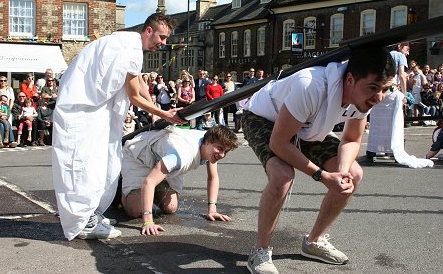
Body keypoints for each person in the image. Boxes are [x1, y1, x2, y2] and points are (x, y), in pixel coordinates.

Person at [242, 47, 396, 274]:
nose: (379, 97)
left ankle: (314, 241)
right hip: (265, 119)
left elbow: (352, 139)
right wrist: (322, 176)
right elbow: (280, 143)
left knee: (353, 175)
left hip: (306, 126)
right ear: (350, 79)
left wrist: (341, 172)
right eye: (373, 88)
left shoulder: (364, 97)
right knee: (283, 175)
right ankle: (260, 251)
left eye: (385, 89)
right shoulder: (311, 85)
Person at [52, 13, 185, 241]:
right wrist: (164, 114)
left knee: (104, 163)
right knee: (85, 165)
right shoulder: (129, 49)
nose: (163, 43)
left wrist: (153, 112)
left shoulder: (127, 44)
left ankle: (91, 214)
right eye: (161, 37)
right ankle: (82, 222)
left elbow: (138, 80)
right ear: (148, 31)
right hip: (83, 110)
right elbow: (134, 96)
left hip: (94, 110)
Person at [120, 125, 239, 235]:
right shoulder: (179, 156)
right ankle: (120, 189)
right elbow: (149, 182)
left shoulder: (209, 143)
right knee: (135, 210)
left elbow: (213, 177)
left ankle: (157, 183)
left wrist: (212, 210)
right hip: (140, 155)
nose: (222, 155)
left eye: (226, 151)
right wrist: (148, 221)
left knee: (170, 207)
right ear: (208, 142)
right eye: (220, 149)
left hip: (162, 161)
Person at [366, 43, 409, 160]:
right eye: (407, 49)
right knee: (394, 122)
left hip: (378, 90)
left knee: (377, 122)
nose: (407, 53)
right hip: (391, 89)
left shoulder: (384, 55)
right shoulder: (400, 56)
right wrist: (404, 94)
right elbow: (402, 75)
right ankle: (392, 149)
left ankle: (372, 150)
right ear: (400, 47)